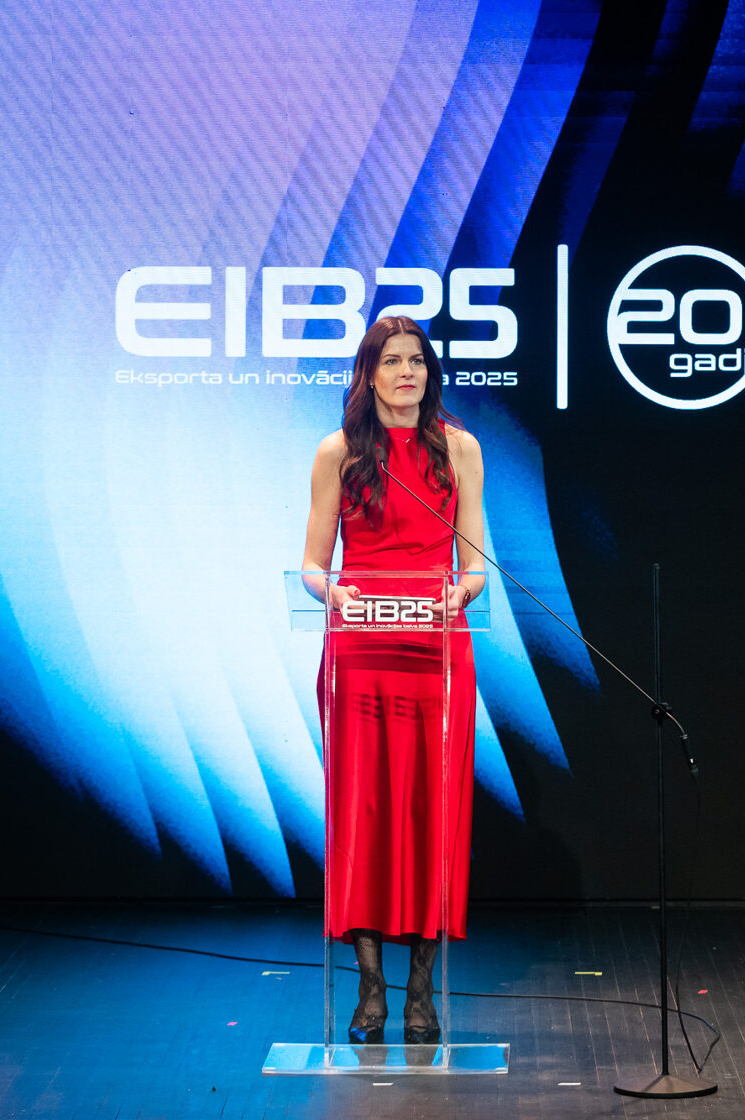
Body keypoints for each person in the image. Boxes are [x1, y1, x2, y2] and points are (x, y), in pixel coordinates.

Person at [301, 315, 486, 1045]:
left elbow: (474, 563)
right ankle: (370, 986)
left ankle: (421, 991)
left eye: (416, 361)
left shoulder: (460, 448)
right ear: (369, 374)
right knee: (364, 815)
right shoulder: (338, 452)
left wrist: (462, 591)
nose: (406, 373)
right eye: (391, 361)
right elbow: (313, 564)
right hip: (361, 650)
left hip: (436, 652)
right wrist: (333, 593)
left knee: (431, 814)